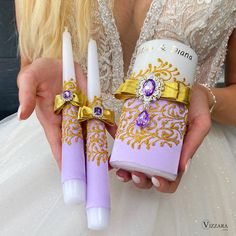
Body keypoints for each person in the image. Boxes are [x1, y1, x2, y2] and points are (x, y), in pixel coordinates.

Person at [0, 0, 235, 235]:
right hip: (65, 137)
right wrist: (34, 78)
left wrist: (207, 97)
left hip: (179, 147)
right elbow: (31, 63)